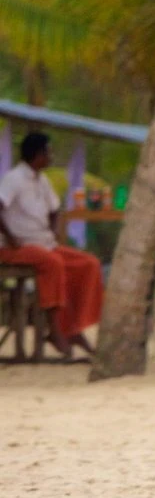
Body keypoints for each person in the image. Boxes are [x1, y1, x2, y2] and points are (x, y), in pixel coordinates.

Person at [0, 131, 103, 357]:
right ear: (37, 154)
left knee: (89, 263)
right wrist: (8, 236)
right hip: (14, 247)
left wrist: (54, 230)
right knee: (53, 263)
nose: (52, 156)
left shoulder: (43, 180)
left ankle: (73, 327)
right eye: (49, 152)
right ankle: (54, 329)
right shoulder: (14, 179)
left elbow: (55, 208)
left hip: (43, 243)